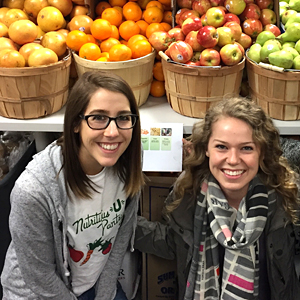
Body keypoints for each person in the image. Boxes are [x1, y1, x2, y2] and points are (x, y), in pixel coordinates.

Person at [135, 97, 300, 300]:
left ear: (261, 151)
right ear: (206, 149)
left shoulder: (285, 196)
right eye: (221, 147)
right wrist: (118, 221)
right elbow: (172, 242)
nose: (232, 160)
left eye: (246, 148)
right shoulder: (189, 193)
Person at [1, 71, 144, 300]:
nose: (113, 132)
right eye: (98, 117)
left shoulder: (127, 163)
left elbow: (119, 239)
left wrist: (104, 293)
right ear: (76, 123)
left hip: (96, 284)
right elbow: (39, 276)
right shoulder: (34, 191)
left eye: (123, 118)